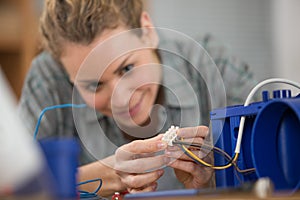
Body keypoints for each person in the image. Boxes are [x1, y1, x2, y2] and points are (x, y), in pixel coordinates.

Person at [18, 0, 255, 197]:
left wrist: (212, 184)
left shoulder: (210, 63)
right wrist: (103, 175)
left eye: (127, 68)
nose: (121, 99)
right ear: (64, 72)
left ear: (147, 31)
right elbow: (16, 187)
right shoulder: (48, 79)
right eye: (95, 85)